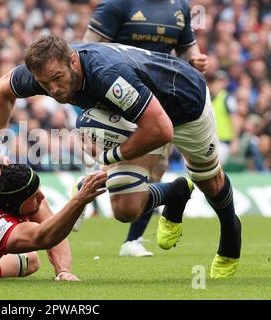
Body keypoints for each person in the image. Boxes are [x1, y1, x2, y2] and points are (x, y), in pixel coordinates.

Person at [0, 35, 241, 278]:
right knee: (125, 209)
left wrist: (110, 157)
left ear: (73, 61)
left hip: (183, 103)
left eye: (57, 78)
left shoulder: (106, 75)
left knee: (209, 181)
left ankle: (231, 233)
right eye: (44, 84)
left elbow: (162, 130)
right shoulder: (46, 69)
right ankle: (175, 193)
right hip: (137, 115)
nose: (54, 90)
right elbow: (2, 90)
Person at [82, 0, 209, 257]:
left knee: (156, 169)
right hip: (120, 96)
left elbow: (188, 51)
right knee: (130, 168)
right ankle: (88, 185)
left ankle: (133, 239)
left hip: (161, 98)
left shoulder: (181, 7)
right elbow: (87, 50)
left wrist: (196, 61)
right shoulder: (117, 5)